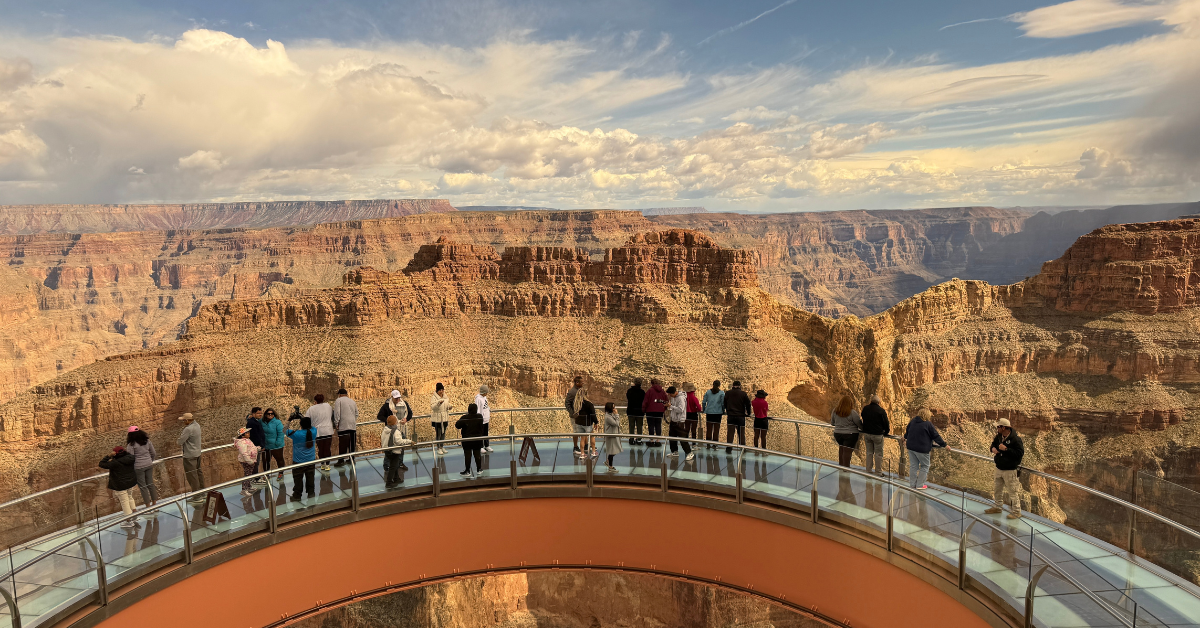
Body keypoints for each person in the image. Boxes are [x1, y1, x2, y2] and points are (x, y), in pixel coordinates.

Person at [985, 418, 1025, 519]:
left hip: (1010, 470)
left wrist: (1006, 449)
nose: (997, 428)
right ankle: (998, 507)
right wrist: (992, 449)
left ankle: (1016, 511)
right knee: (997, 489)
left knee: (1012, 491)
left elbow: (1019, 454)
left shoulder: (1016, 439)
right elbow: (993, 445)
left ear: (1003, 428)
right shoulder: (999, 437)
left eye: (998, 427)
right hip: (999, 468)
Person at [903, 408, 946, 490]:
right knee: (925, 466)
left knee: (913, 466)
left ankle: (912, 484)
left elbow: (907, 431)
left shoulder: (913, 421)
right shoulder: (927, 424)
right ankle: (920, 485)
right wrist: (944, 445)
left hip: (911, 448)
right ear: (927, 415)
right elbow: (935, 436)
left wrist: (905, 437)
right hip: (922, 449)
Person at [99, 446, 139, 528]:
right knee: (130, 497)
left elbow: (101, 464)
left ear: (115, 454)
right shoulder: (131, 458)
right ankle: (134, 513)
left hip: (120, 485)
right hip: (130, 482)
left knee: (124, 502)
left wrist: (108, 456)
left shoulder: (115, 463)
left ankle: (128, 521)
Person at [286, 416, 318, 501]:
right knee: (310, 477)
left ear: (301, 424)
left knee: (298, 479)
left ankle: (297, 495)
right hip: (311, 460)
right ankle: (311, 493)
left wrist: (289, 420)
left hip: (298, 461)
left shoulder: (296, 434)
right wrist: (303, 417)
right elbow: (311, 426)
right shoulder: (314, 431)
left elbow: (284, 430)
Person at [126, 426, 159, 508]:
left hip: (138, 467)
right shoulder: (147, 441)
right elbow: (153, 453)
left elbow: (130, 458)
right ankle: (155, 504)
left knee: (143, 487)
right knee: (150, 484)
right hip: (149, 464)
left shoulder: (131, 445)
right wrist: (150, 460)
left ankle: (148, 506)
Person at [176, 413, 205, 502]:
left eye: (184, 420)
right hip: (197, 454)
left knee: (192, 476)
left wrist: (178, 440)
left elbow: (180, 442)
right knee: (199, 473)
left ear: (188, 420)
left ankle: (197, 497)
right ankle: (203, 493)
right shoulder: (197, 425)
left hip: (189, 456)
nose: (183, 422)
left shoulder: (188, 429)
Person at [305, 394, 336, 473]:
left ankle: (322, 464)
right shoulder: (328, 406)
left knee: (320, 448)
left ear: (315, 401)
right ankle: (328, 465)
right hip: (328, 430)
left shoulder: (311, 409)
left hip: (318, 431)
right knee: (327, 448)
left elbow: (306, 419)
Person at [861, 395, 890, 476]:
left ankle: (868, 470)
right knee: (878, 454)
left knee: (869, 453)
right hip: (877, 435)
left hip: (867, 434)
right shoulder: (881, 411)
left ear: (871, 401)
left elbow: (862, 416)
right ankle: (878, 472)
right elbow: (886, 423)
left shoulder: (865, 408)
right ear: (878, 402)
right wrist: (886, 432)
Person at [831, 395, 863, 468]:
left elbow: (832, 423)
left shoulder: (835, 411)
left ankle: (841, 466)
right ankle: (846, 468)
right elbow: (859, 423)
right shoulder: (852, 412)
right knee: (847, 451)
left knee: (841, 448)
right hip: (850, 435)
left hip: (838, 434)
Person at [456, 403, 486, 479]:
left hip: (467, 440)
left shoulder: (465, 418)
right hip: (477, 440)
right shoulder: (480, 417)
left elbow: (457, 425)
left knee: (467, 455)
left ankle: (467, 471)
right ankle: (479, 469)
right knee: (477, 454)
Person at [380, 414, 411, 489]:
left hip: (387, 451)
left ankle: (397, 478)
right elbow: (399, 441)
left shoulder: (385, 430)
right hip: (394, 451)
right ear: (395, 422)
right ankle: (389, 483)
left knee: (394, 464)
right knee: (393, 466)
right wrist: (409, 441)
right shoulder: (396, 431)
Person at [665, 386, 694, 461]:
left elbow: (680, 410)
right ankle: (674, 451)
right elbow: (673, 407)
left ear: (674, 393)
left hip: (680, 421)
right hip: (673, 420)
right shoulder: (673, 397)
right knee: (672, 437)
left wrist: (671, 406)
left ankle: (689, 452)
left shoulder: (681, 398)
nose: (669, 396)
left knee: (682, 438)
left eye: (670, 394)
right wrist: (669, 407)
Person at [333, 388, 359, 467]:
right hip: (352, 425)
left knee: (343, 443)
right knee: (352, 443)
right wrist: (352, 420)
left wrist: (336, 423)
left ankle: (341, 460)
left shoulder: (339, 401)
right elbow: (357, 413)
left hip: (343, 425)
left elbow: (337, 413)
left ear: (340, 394)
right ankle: (351, 459)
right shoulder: (352, 401)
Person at [724, 382, 751, 454]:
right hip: (740, 416)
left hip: (731, 415)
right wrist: (748, 413)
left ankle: (729, 448)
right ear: (740, 386)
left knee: (730, 433)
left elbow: (725, 403)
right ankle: (742, 448)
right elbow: (748, 404)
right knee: (741, 433)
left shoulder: (728, 393)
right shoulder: (743, 394)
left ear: (733, 386)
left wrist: (728, 410)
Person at [234, 427, 261, 496]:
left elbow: (250, 448)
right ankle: (244, 489)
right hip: (246, 461)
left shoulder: (247, 440)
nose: (249, 433)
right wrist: (249, 460)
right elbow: (244, 453)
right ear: (242, 435)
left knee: (249, 473)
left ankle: (248, 487)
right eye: (247, 433)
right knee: (247, 474)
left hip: (250, 460)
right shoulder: (242, 442)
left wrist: (256, 449)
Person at [261, 408, 287, 481]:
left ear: (274, 414)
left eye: (271, 414)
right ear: (265, 415)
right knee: (266, 461)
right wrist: (249, 416)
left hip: (276, 446)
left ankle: (281, 473)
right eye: (268, 414)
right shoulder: (262, 421)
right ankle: (266, 474)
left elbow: (281, 433)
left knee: (279, 460)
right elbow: (254, 421)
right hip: (266, 446)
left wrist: (277, 443)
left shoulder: (277, 422)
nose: (270, 415)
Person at [641, 379, 668, 447]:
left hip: (650, 411)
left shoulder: (650, 391)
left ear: (651, 384)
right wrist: (663, 408)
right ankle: (658, 440)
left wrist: (643, 410)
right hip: (660, 411)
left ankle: (651, 440)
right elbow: (666, 401)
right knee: (658, 425)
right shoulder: (662, 391)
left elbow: (645, 401)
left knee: (651, 425)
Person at [244, 407, 266, 487]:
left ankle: (254, 478)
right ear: (253, 414)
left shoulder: (253, 421)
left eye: (261, 413)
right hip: (255, 446)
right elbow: (255, 436)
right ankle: (255, 479)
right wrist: (261, 445)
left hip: (255, 446)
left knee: (256, 462)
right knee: (255, 462)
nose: (260, 415)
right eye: (258, 413)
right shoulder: (252, 423)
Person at [430, 383, 453, 455]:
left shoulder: (445, 397)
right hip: (438, 418)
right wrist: (438, 403)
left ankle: (442, 446)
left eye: (442, 389)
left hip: (445, 417)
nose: (441, 391)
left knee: (443, 433)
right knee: (438, 433)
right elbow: (433, 407)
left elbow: (446, 405)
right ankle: (438, 448)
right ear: (437, 390)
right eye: (440, 390)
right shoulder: (434, 398)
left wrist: (449, 407)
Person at [566, 376, 586, 455]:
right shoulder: (572, 392)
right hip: (575, 416)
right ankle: (575, 447)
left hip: (581, 415)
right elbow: (567, 403)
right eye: (581, 382)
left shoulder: (580, 390)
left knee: (583, 430)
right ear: (577, 383)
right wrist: (573, 413)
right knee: (576, 431)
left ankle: (584, 446)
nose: (583, 383)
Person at [702, 381, 724, 449]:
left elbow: (703, 402)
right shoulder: (721, 393)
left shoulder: (708, 392)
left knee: (709, 428)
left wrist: (704, 409)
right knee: (716, 429)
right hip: (718, 413)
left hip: (709, 412)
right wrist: (723, 410)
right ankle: (714, 445)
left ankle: (708, 444)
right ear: (719, 385)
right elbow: (723, 403)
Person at [603, 402, 623, 472]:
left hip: (613, 435)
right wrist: (617, 414)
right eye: (613, 407)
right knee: (612, 451)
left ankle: (608, 462)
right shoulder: (608, 417)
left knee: (614, 450)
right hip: (611, 436)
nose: (614, 409)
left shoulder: (610, 415)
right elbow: (616, 424)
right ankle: (610, 467)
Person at [626, 378, 646, 445]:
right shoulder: (642, 392)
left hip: (631, 411)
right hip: (640, 412)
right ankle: (639, 440)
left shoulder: (630, 391)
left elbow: (628, 397)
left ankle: (631, 440)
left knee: (631, 426)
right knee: (639, 426)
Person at [475, 385, 493, 452]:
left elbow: (486, 406)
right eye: (486, 392)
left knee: (485, 433)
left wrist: (488, 409)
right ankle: (480, 446)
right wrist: (479, 418)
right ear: (483, 392)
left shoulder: (484, 397)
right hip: (481, 419)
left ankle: (487, 445)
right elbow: (478, 409)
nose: (487, 393)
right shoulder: (478, 399)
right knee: (481, 433)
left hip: (486, 419)